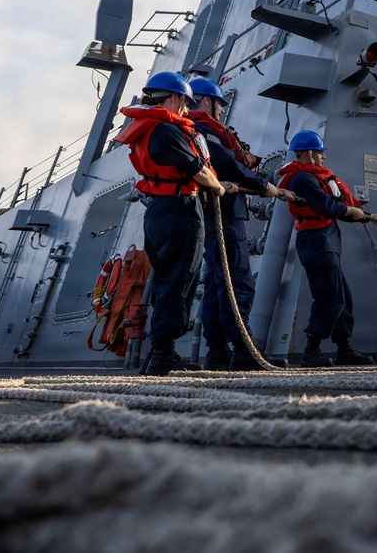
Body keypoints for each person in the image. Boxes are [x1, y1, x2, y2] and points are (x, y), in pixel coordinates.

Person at [114, 72, 225, 376]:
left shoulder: (149, 128)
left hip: (158, 210)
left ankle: (160, 353)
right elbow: (196, 169)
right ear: (175, 98)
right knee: (180, 280)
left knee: (167, 281)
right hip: (181, 210)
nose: (187, 110)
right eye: (186, 103)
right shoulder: (166, 129)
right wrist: (217, 187)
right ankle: (164, 353)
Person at [186, 77, 295, 371]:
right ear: (207, 101)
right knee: (237, 279)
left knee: (217, 282)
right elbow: (226, 163)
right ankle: (243, 349)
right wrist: (263, 185)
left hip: (213, 212)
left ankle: (218, 351)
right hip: (224, 213)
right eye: (220, 104)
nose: (222, 111)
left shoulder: (196, 129)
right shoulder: (204, 129)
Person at [277, 130, 377, 367]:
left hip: (326, 240)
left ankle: (344, 347)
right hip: (316, 241)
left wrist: (368, 216)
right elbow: (327, 206)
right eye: (320, 152)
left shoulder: (316, 177)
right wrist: (352, 212)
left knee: (342, 297)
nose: (323, 157)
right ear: (308, 153)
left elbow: (339, 208)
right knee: (330, 296)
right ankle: (311, 349)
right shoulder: (303, 180)